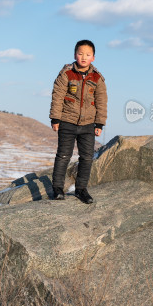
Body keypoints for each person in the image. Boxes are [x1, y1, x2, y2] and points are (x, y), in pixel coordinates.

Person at [49, 40, 107, 204]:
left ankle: (81, 189)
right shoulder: (66, 74)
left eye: (88, 54)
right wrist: (55, 118)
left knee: (87, 157)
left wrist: (100, 123)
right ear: (75, 55)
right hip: (67, 121)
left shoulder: (97, 78)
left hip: (88, 124)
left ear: (93, 58)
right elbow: (57, 96)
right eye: (80, 53)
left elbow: (101, 101)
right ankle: (57, 189)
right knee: (63, 156)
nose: (84, 57)